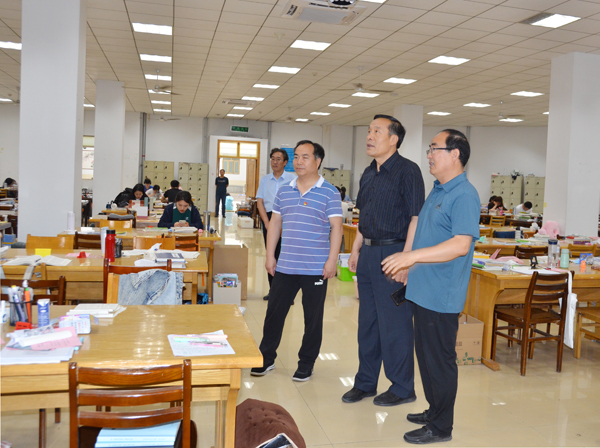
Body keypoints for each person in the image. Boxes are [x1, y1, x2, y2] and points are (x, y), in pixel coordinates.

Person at [381, 129, 480, 444]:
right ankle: (434, 409)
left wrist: (410, 256)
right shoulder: (438, 190)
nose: (429, 155)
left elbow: (460, 245)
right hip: (423, 291)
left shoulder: (464, 194)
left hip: (441, 295)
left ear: (455, 154)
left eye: (434, 148)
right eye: (429, 149)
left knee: (439, 362)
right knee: (426, 358)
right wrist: (410, 267)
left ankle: (441, 427)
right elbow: (429, 236)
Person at [341, 114, 425, 407]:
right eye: (369, 130)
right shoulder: (368, 173)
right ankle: (365, 382)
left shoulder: (408, 171)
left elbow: (416, 218)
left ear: (394, 139)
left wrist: (406, 260)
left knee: (395, 325)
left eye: (377, 131)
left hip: (394, 254)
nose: (369, 136)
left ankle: (402, 388)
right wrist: (355, 249)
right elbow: (364, 216)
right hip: (368, 254)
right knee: (368, 323)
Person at [250, 140, 343, 382]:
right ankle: (266, 357)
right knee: (274, 314)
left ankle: (306, 363)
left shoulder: (330, 192)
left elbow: (336, 228)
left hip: (315, 267)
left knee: (312, 319)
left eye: (305, 157)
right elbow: (275, 224)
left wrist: (332, 260)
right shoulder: (284, 190)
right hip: (286, 265)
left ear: (318, 161)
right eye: (297, 157)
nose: (299, 162)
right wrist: (270, 256)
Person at [256, 148, 297, 300]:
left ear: (285, 162)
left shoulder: (293, 179)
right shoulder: (265, 180)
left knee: (286, 257)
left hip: (287, 218)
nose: (275, 162)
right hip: (269, 217)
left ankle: (287, 295)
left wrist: (285, 225)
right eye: (273, 159)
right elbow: (259, 202)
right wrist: (267, 224)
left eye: (278, 159)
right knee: (271, 254)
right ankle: (273, 291)